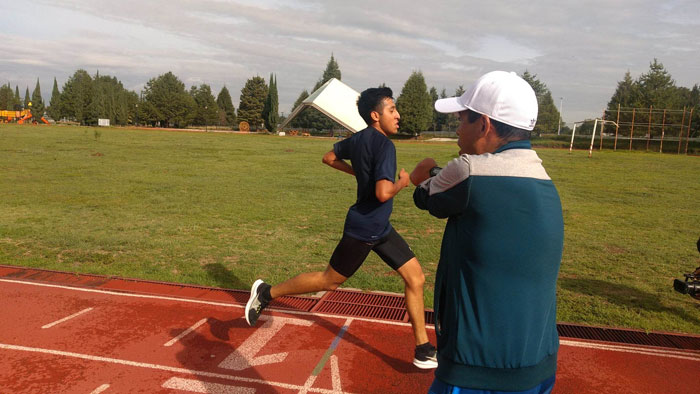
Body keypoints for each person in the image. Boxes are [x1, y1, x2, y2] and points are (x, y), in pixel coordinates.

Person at [245, 87, 438, 369]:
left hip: (379, 227)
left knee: (416, 278)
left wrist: (358, 173)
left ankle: (422, 348)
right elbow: (384, 193)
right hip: (364, 229)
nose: (398, 115)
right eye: (392, 110)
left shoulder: (358, 139)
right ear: (375, 115)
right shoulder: (385, 146)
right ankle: (266, 292)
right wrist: (403, 182)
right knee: (329, 281)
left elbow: (329, 158)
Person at [411, 71, 564, 393]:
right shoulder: (543, 177)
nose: (456, 127)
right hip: (539, 360)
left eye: (462, 118)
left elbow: (427, 197)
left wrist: (426, 172)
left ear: (484, 124)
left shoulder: (468, 169)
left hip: (476, 368)